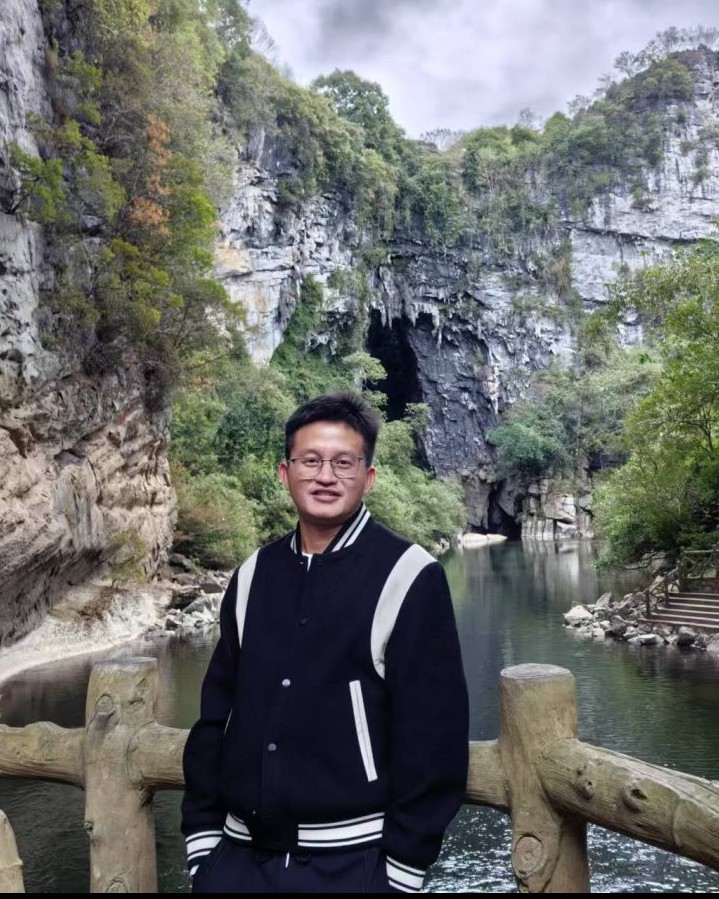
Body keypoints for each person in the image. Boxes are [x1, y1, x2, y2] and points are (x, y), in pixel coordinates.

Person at [181, 391, 469, 893]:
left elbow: (435, 735)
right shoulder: (254, 574)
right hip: (236, 862)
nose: (326, 476)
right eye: (310, 461)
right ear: (285, 472)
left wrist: (400, 872)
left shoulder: (408, 575)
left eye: (343, 462)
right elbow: (216, 713)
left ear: (368, 477)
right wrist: (203, 844)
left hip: (351, 865)